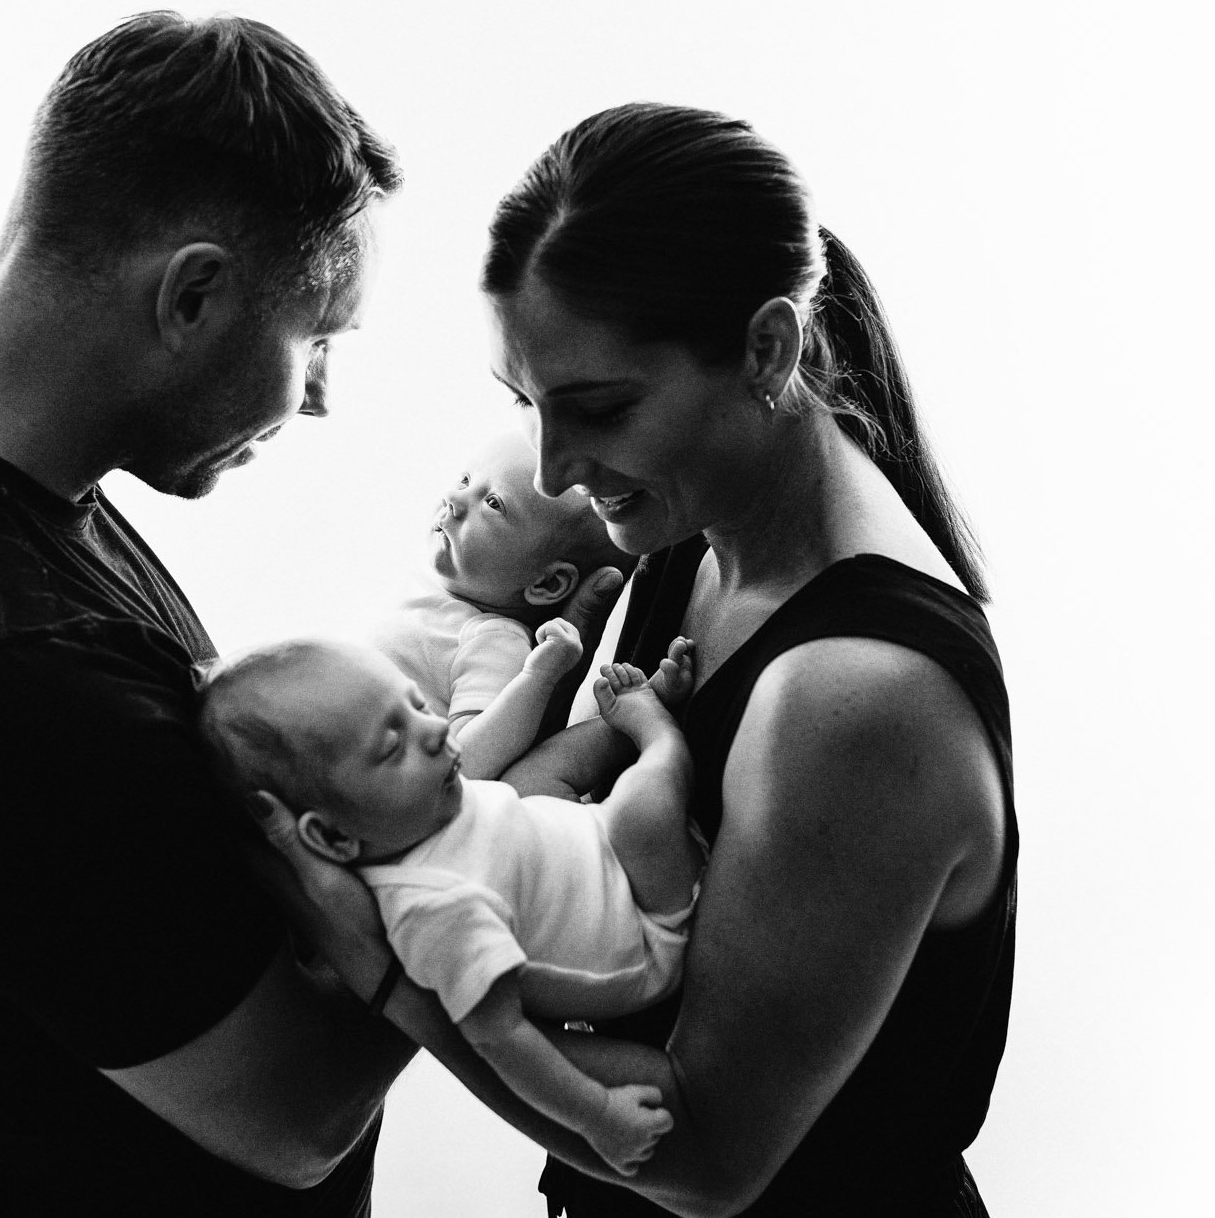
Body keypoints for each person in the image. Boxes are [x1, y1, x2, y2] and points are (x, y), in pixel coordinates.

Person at [0, 11, 513, 1217]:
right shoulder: (3, 669)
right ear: (195, 295)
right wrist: (475, 868)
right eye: (315, 338)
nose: (317, 398)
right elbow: (301, 1108)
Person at [252, 103, 1015, 1217]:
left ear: (767, 347)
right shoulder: (694, 527)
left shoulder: (854, 696)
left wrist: (391, 966)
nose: (554, 471)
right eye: (525, 407)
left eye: (598, 408)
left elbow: (703, 1156)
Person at [197, 636, 704, 1178]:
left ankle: (642, 711)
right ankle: (655, 728)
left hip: (598, 857)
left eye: (417, 705)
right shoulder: (435, 910)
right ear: (331, 836)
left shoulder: (422, 811)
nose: (436, 729)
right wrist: (598, 1115)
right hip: (646, 931)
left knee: (540, 780)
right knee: (640, 812)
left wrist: (537, 675)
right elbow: (500, 1039)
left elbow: (493, 750)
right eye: (394, 745)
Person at [374, 428, 637, 779]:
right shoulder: (423, 586)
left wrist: (536, 679)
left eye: (493, 502)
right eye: (465, 479)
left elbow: (466, 767)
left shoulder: (493, 640)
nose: (453, 496)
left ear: (547, 583)